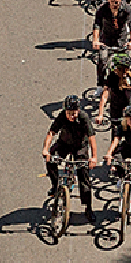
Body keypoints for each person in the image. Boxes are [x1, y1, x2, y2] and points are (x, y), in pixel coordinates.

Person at [42, 94, 98, 223]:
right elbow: (51, 133)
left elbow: (91, 138)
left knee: (84, 178)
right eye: (69, 113)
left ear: (78, 110)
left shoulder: (84, 118)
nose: (71, 116)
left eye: (74, 113)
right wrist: (46, 149)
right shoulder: (61, 116)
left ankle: (88, 208)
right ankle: (55, 185)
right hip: (64, 144)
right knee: (51, 160)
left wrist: (93, 157)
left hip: (80, 147)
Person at [91, 0, 131, 86]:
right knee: (102, 61)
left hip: (121, 39)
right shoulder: (102, 9)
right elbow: (97, 25)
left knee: (124, 62)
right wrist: (95, 40)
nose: (114, 4)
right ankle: (100, 85)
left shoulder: (127, 9)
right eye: (112, 1)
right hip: (106, 40)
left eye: (117, 2)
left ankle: (125, 82)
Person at [98, 53, 131, 134]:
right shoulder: (112, 77)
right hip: (116, 111)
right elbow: (105, 95)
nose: (124, 72)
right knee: (116, 135)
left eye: (126, 69)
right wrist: (101, 114)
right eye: (121, 69)